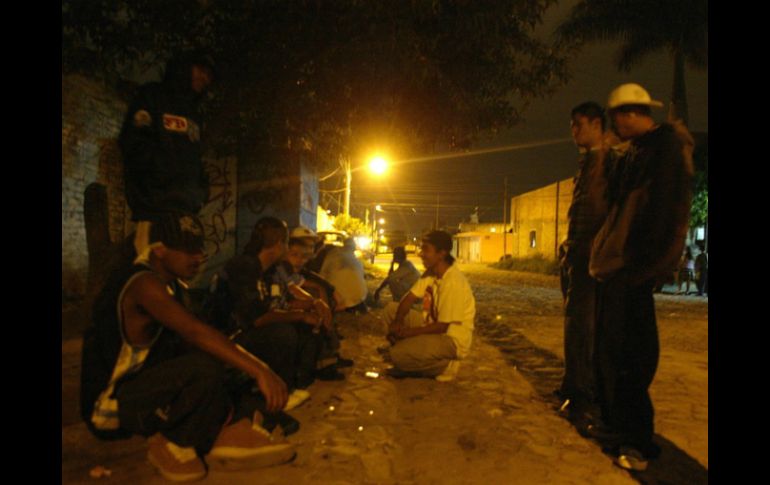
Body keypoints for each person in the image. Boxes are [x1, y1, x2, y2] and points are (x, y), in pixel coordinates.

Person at [80, 212, 295, 482]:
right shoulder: (142, 283)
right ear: (159, 250)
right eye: (187, 250)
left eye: (199, 248)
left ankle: (226, 430)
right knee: (205, 367)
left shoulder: (176, 287)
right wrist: (260, 370)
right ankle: (174, 440)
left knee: (224, 366)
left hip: (150, 389)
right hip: (110, 407)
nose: (198, 256)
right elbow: (193, 332)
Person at [588, 83, 694, 471]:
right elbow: (610, 203)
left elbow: (663, 214)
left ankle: (635, 439)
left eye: (615, 117)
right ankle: (620, 429)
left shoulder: (663, 150)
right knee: (612, 354)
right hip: (618, 267)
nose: (613, 125)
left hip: (632, 269)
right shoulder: (637, 151)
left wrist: (644, 268)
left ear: (630, 114)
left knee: (632, 356)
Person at [222, 217, 329, 412]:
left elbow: (279, 303)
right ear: (280, 244)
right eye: (287, 243)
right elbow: (259, 317)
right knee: (282, 332)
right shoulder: (245, 267)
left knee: (305, 324)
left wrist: (310, 306)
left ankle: (297, 383)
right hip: (229, 337)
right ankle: (279, 393)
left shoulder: (268, 270)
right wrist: (300, 315)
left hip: (249, 329)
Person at [119, 50, 215, 256]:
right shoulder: (152, 97)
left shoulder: (194, 112)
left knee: (177, 278)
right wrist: (158, 180)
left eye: (208, 75)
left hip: (185, 212)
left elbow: (195, 159)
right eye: (201, 70)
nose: (204, 78)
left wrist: (200, 191)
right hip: (154, 211)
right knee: (148, 268)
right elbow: (134, 145)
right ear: (185, 67)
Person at [556, 101, 610, 426]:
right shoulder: (588, 162)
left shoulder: (606, 161)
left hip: (591, 259)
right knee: (574, 324)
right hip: (577, 254)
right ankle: (571, 385)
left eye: (578, 124)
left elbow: (602, 214)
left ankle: (581, 396)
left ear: (595, 124)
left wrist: (589, 250)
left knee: (583, 329)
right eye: (572, 125)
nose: (574, 131)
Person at [383, 231, 475, 382]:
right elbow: (409, 297)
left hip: (450, 340)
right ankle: (414, 351)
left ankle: (445, 365)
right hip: (432, 327)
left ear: (441, 253)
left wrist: (408, 333)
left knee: (397, 355)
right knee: (391, 310)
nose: (420, 253)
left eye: (426, 249)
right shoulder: (431, 274)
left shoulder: (452, 281)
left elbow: (442, 327)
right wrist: (398, 321)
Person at [319, 238, 369, 313]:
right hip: (359, 298)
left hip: (338, 299)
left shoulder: (333, 254)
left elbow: (322, 274)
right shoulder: (357, 261)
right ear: (353, 248)